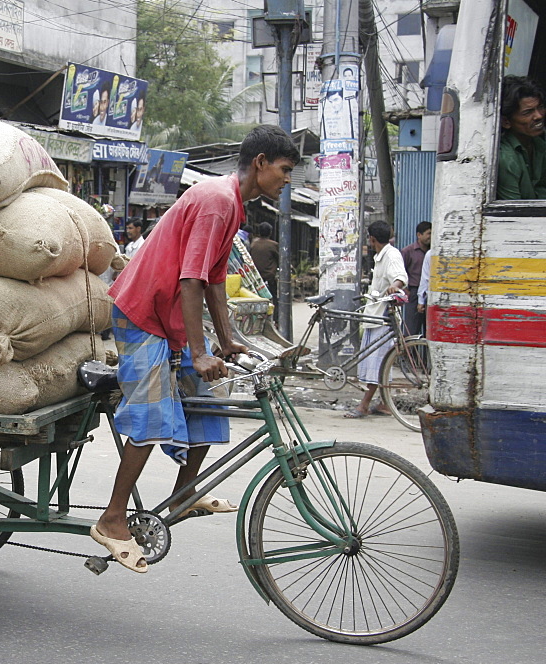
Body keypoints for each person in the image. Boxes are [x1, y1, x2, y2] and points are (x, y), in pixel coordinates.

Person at [91, 125, 300, 573]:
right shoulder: (216, 201)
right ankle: (111, 519)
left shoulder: (234, 208)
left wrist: (225, 343)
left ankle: (184, 496)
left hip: (170, 320)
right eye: (284, 170)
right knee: (152, 414)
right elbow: (190, 280)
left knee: (208, 399)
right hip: (142, 313)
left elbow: (215, 281)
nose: (287, 180)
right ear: (260, 162)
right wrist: (201, 351)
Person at [344, 220, 408, 420]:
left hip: (382, 317)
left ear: (372, 239)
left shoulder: (391, 254)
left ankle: (364, 405)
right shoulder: (382, 256)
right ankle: (384, 404)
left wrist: (394, 286)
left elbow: (400, 276)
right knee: (380, 363)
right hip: (375, 315)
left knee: (376, 362)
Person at [497, 75, 546, 199]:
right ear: (506, 122)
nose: (539, 116)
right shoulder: (505, 160)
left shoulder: (539, 144)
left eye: (540, 107)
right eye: (528, 112)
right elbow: (513, 212)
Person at [400, 220, 431, 335]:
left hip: (428, 294)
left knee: (429, 331)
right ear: (419, 235)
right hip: (413, 293)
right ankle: (409, 353)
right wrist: (405, 290)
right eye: (428, 233)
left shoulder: (432, 252)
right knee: (411, 331)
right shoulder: (408, 251)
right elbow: (400, 272)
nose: (431, 237)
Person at [249, 222, 280, 311]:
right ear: (270, 232)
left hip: (256, 277)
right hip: (269, 277)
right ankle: (276, 320)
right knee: (274, 297)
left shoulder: (253, 244)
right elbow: (280, 259)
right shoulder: (273, 245)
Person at [417, 250, 432, 319]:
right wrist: (421, 300)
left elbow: (425, 278)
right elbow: (425, 279)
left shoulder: (431, 253)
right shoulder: (431, 254)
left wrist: (421, 301)